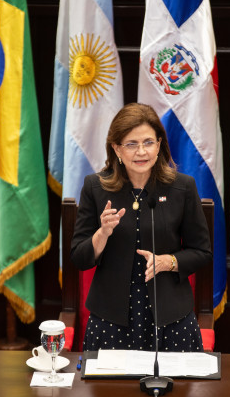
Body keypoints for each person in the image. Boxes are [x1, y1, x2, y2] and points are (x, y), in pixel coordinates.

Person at [71, 103, 212, 352]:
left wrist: (168, 262)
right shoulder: (95, 187)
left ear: (159, 145)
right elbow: (79, 258)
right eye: (131, 144)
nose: (141, 151)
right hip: (111, 319)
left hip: (171, 318)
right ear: (116, 148)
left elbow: (202, 252)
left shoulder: (182, 188)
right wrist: (102, 234)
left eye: (148, 142)